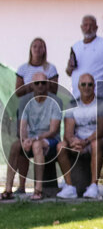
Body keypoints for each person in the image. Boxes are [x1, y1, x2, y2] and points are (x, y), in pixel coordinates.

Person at [11, 38, 59, 194]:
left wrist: (37, 89)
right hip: (29, 112)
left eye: (41, 46)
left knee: (37, 145)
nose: (38, 49)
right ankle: (17, 187)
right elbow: (18, 91)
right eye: (35, 46)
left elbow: (54, 90)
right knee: (20, 145)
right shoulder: (22, 68)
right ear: (30, 49)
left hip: (45, 116)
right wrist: (33, 88)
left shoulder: (50, 68)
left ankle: (38, 189)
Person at [5, 72, 61, 200]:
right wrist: (24, 140)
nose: (40, 86)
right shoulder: (26, 102)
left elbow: (53, 130)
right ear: (32, 86)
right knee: (15, 146)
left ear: (48, 85)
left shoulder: (54, 103)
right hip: (31, 138)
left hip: (50, 140)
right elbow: (22, 126)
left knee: (36, 146)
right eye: (37, 83)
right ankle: (8, 189)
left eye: (43, 83)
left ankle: (38, 190)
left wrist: (35, 139)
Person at [55, 73, 103, 200]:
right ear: (78, 87)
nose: (87, 87)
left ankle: (93, 186)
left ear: (94, 87)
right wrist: (73, 142)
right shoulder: (71, 105)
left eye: (90, 85)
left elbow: (101, 130)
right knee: (61, 146)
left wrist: (84, 142)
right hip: (79, 141)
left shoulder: (102, 104)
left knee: (95, 144)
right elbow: (68, 132)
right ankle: (69, 187)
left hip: (99, 140)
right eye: (83, 84)